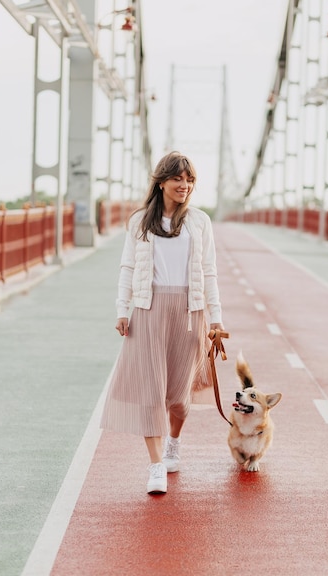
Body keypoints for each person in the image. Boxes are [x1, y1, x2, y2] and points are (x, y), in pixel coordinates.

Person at [100, 151, 225, 495]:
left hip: (190, 311)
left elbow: (209, 271)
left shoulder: (199, 221)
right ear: (161, 181)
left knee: (179, 397)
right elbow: (127, 267)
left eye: (189, 180)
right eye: (177, 179)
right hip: (149, 309)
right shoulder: (140, 221)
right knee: (151, 392)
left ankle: (173, 441)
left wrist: (216, 318)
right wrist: (121, 309)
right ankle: (156, 466)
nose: (184, 185)